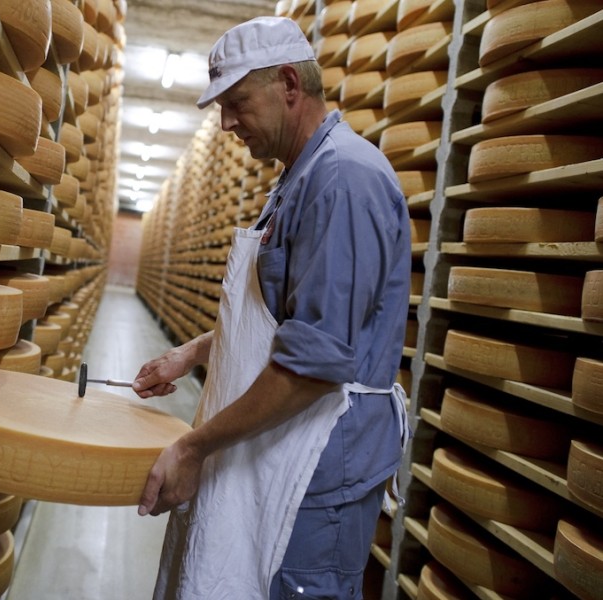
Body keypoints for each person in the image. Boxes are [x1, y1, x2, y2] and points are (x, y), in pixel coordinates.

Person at [130, 16, 412, 600]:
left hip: (319, 466)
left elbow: (312, 365)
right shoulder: (295, 179)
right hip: (282, 443)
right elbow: (284, 319)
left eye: (237, 102)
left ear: (289, 83)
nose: (227, 122)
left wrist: (193, 445)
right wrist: (194, 352)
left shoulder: (343, 179)